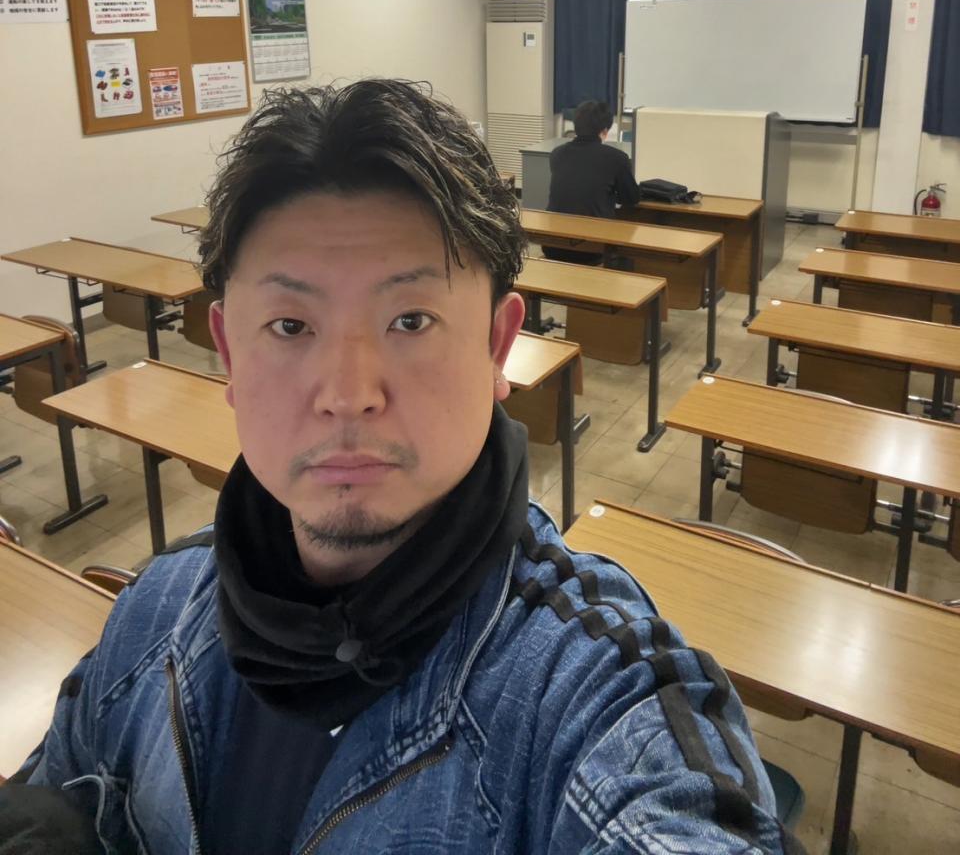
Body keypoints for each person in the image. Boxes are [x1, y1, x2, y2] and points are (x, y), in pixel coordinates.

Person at [1, 79, 801, 854]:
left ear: (497, 345)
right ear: (229, 355)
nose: (349, 395)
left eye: (411, 320)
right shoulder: (152, 610)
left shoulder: (595, 691)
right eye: (290, 326)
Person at [544, 99, 641, 265]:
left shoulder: (557, 154)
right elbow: (631, 199)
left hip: (553, 245)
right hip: (592, 249)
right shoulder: (617, 158)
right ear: (605, 131)